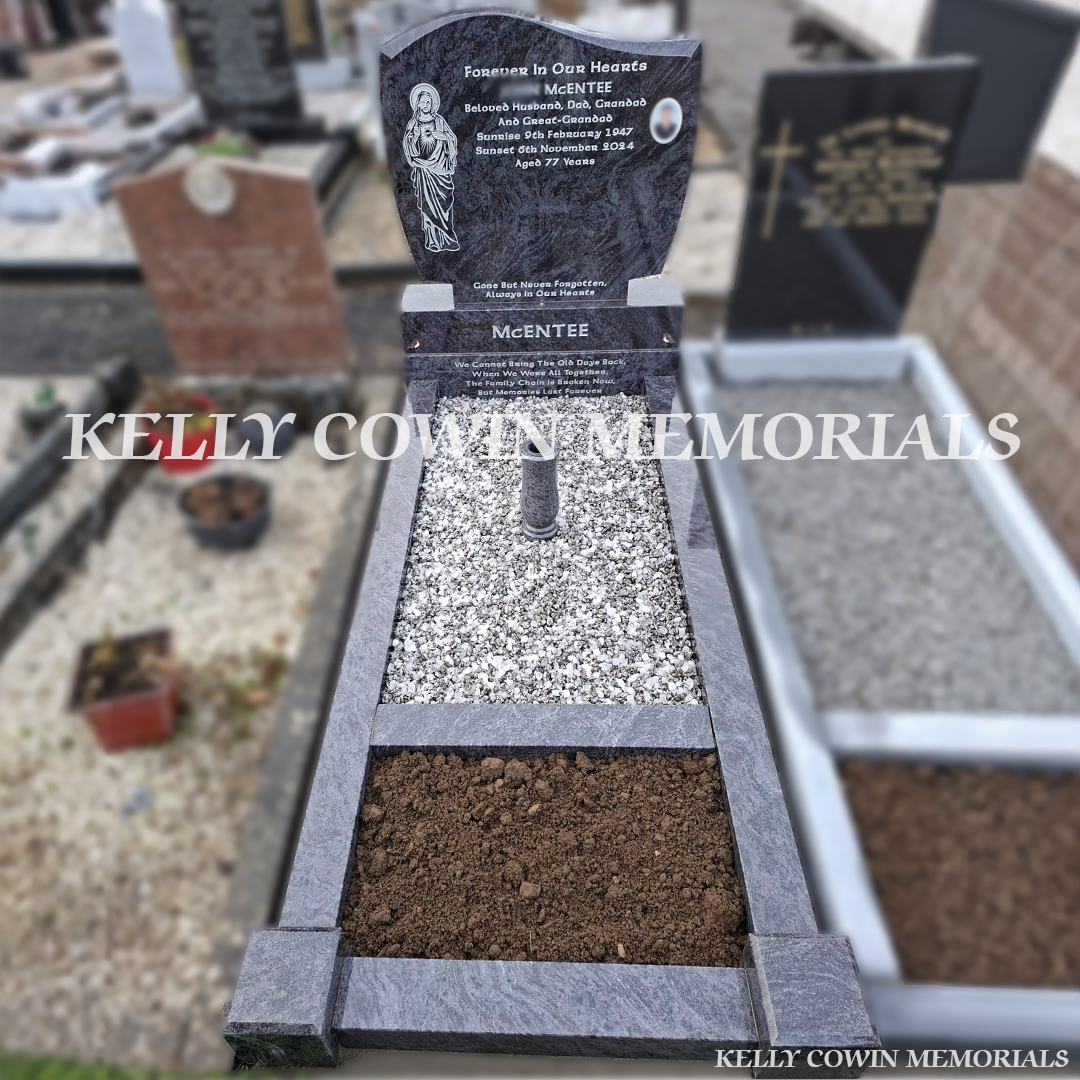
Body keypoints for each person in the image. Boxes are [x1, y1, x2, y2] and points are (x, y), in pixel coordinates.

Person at [402, 83, 460, 253]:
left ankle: (447, 238)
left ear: (432, 104)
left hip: (440, 170)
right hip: (423, 170)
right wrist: (414, 139)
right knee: (427, 206)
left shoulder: (439, 121)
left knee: (444, 204)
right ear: (417, 104)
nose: (426, 105)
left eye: (429, 102)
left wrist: (441, 136)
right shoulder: (413, 123)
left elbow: (452, 140)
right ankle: (433, 241)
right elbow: (407, 144)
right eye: (423, 102)